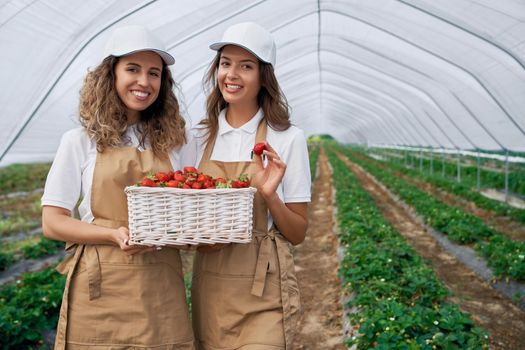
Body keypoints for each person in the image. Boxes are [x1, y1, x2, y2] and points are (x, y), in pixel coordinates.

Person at [41, 25, 196, 349]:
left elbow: (191, 209)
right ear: (110, 74)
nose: (144, 81)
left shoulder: (176, 144)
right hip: (102, 286)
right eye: (133, 69)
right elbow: (53, 222)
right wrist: (112, 234)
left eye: (154, 73)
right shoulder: (80, 141)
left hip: (160, 284)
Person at [191, 22, 311, 349]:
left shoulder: (287, 139)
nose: (232, 74)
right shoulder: (197, 138)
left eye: (246, 66)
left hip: (263, 289)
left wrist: (270, 196)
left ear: (263, 77)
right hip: (211, 288)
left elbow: (298, 233)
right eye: (226, 63)